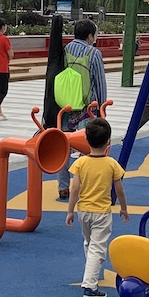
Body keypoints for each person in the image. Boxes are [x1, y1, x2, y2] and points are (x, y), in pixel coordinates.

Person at [64, 118, 129, 297]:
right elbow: (119, 189)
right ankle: (90, 285)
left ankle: (90, 272)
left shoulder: (80, 163)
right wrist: (123, 208)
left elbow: (74, 189)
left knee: (89, 242)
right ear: (109, 141)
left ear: (86, 140)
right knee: (98, 248)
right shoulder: (112, 164)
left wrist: (70, 211)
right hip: (101, 212)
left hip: (83, 210)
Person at [55, 20, 110, 201]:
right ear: (90, 36)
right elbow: (100, 82)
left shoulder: (65, 50)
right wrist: (102, 108)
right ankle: (86, 187)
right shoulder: (94, 53)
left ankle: (63, 187)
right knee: (88, 147)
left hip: (66, 105)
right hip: (88, 108)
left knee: (64, 145)